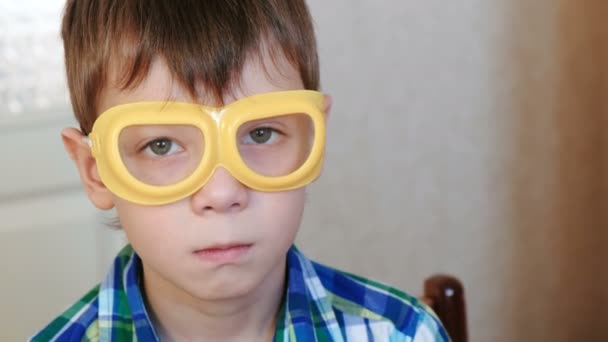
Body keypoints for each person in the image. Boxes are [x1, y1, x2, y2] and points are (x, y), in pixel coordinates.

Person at [31, 1, 449, 341]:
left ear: (312, 139)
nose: (222, 191)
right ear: (96, 171)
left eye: (262, 133)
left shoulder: (404, 333)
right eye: (162, 145)